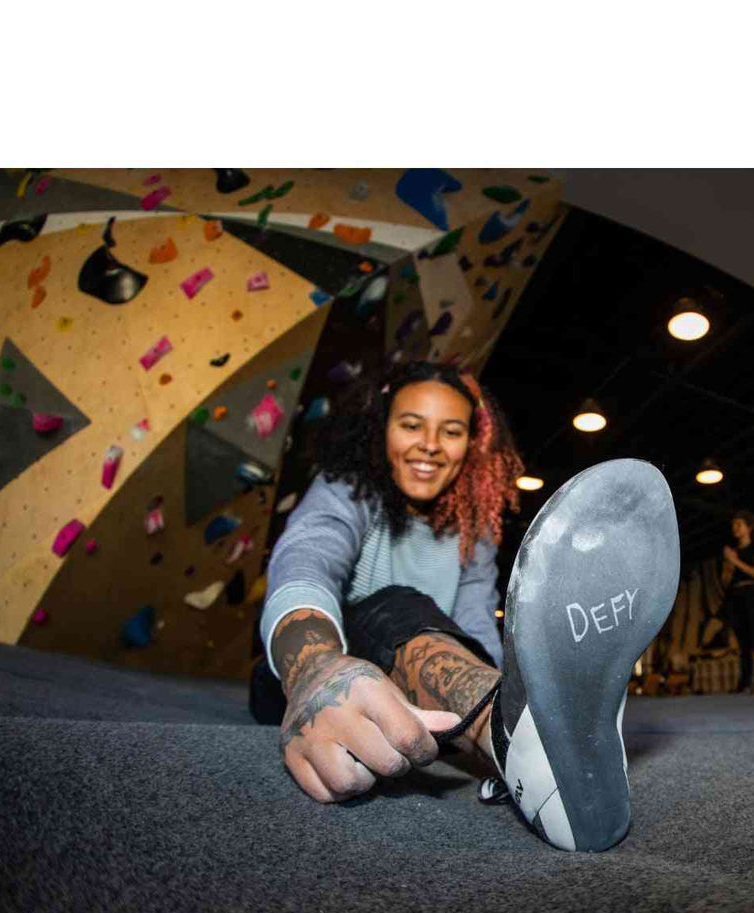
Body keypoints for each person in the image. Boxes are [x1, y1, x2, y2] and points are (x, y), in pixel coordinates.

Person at [250, 360, 680, 853]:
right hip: (312, 670)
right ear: (380, 430)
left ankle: (515, 726)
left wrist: (503, 677)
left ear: (471, 445)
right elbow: (305, 561)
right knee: (392, 602)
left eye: (451, 431)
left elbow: (477, 626)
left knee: (435, 624)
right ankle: (513, 736)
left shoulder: (473, 534)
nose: (430, 444)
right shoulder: (346, 490)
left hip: (423, 687)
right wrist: (314, 666)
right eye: (411, 425)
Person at [721, 511, 754, 693]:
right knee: (742, 642)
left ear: (749, 527)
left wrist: (735, 561)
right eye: (733, 525)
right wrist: (729, 565)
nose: (734, 528)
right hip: (735, 596)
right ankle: (745, 682)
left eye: (739, 524)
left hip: (753, 595)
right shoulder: (731, 552)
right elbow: (725, 581)